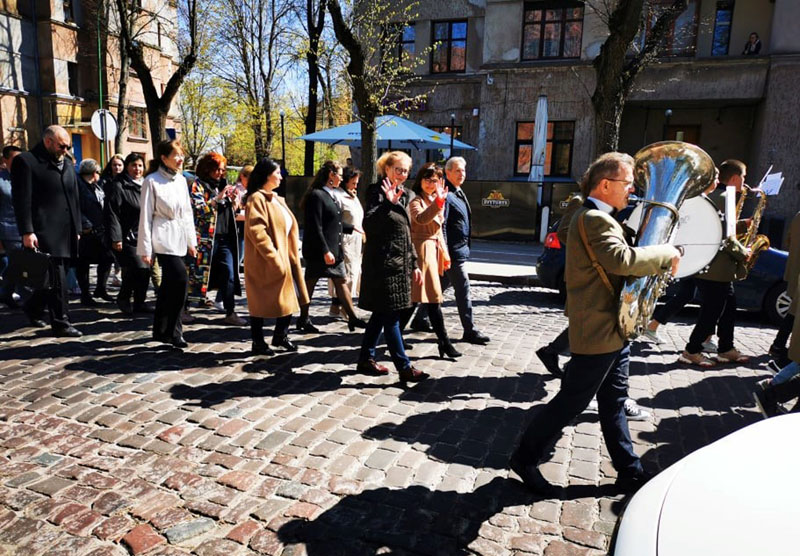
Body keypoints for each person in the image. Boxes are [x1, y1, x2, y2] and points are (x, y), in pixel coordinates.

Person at [510, 152, 681, 496]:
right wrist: (667, 253)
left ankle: (629, 470)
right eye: (628, 182)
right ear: (605, 184)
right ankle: (525, 458)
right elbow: (622, 260)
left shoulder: (604, 217)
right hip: (598, 328)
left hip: (613, 329)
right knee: (571, 402)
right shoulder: (593, 219)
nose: (633, 189)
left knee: (614, 401)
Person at [357, 151, 428, 382]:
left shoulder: (407, 194)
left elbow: (406, 234)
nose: (402, 174)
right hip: (383, 266)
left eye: (406, 170)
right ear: (386, 169)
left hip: (401, 266)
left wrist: (415, 264)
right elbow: (369, 224)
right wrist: (387, 203)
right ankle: (404, 367)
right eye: (398, 169)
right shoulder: (375, 192)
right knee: (391, 317)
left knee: (381, 314)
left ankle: (365, 359)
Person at [678, 160, 751, 367]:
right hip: (717, 268)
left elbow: (716, 226)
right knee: (712, 312)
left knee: (729, 307)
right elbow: (725, 236)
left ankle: (726, 348)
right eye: (743, 177)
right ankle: (691, 350)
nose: (744, 182)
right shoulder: (727, 198)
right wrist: (742, 252)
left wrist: (742, 227)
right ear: (736, 178)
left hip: (711, 266)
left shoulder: (712, 197)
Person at [11, 125, 82, 336]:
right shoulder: (27, 161)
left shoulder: (67, 164)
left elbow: (74, 197)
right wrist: (27, 231)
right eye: (62, 145)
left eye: (68, 146)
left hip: (66, 231)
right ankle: (61, 322)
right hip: (43, 230)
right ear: (48, 141)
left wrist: (77, 226)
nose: (65, 149)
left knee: (49, 277)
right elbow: (22, 200)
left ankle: (32, 308)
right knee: (57, 277)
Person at [243, 158, 309, 355]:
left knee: (290, 297)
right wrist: (273, 257)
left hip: (286, 257)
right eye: (278, 172)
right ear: (266, 175)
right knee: (260, 301)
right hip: (266, 260)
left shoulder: (276, 198)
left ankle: (281, 336)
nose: (281, 176)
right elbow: (257, 232)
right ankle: (258, 342)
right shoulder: (257, 199)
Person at [137, 140, 196, 348]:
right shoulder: (151, 181)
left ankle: (160, 329)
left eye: (182, 155)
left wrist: (191, 241)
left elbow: (187, 213)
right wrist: (145, 249)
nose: (180, 159)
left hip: (179, 235)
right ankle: (174, 330)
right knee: (180, 281)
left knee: (169, 285)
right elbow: (145, 217)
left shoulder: (181, 180)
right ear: (164, 158)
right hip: (162, 238)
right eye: (176, 155)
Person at [297, 160, 366, 332]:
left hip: (334, 249)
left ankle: (352, 317)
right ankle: (303, 318)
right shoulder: (317, 195)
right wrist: (325, 250)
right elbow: (316, 226)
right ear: (331, 175)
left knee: (341, 281)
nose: (342, 179)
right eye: (340, 175)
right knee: (310, 284)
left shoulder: (330, 194)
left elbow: (332, 222)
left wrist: (351, 228)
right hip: (320, 251)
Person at [409, 162, 461, 358]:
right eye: (428, 179)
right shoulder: (416, 200)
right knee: (422, 300)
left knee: (428, 300)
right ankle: (444, 343)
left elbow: (439, 232)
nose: (431, 184)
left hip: (432, 251)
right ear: (420, 180)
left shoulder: (434, 199)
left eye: (436, 180)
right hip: (421, 253)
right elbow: (421, 219)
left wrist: (445, 255)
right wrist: (438, 203)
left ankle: (444, 342)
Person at [186, 153, 245, 325]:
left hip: (225, 238)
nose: (220, 173)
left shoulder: (224, 185)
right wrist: (217, 199)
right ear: (207, 169)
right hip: (205, 238)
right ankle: (184, 308)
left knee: (229, 273)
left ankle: (230, 312)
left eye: (222, 169)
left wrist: (234, 202)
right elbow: (198, 209)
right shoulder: (197, 185)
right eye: (217, 169)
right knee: (195, 274)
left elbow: (230, 212)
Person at [441, 156, 490, 344]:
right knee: (463, 290)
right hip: (453, 253)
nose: (462, 174)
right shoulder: (446, 193)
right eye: (457, 171)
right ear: (448, 172)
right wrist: (445, 250)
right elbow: (442, 225)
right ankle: (469, 329)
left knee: (438, 286)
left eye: (463, 170)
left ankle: (420, 318)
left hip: (459, 250)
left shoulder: (458, 191)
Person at [105, 153, 151, 315]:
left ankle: (140, 302)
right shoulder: (119, 186)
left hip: (145, 235)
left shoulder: (147, 184)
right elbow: (112, 213)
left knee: (145, 271)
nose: (137, 169)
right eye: (133, 165)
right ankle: (124, 297)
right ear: (127, 167)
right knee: (137, 268)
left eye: (140, 165)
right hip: (127, 236)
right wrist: (116, 237)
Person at [75, 158, 114, 305]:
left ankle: (100, 288)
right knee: (83, 263)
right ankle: (85, 295)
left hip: (100, 230)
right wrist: (85, 224)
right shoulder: (80, 186)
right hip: (87, 231)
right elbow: (77, 207)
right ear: (93, 172)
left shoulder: (96, 186)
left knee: (107, 258)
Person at [329, 166, 364, 317]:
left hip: (356, 242)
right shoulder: (337, 196)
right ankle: (345, 306)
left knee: (353, 272)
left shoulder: (352, 195)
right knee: (346, 274)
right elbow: (334, 220)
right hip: (344, 240)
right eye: (353, 183)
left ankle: (336, 306)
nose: (355, 186)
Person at [767, 209, 800, 369]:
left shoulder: (798, 215)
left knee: (793, 313)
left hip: (793, 271)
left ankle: (779, 345)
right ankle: (783, 356)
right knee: (794, 314)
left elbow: (787, 240)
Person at [0, 145, 23, 307]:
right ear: (5, 160)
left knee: (20, 267)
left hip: (28, 230)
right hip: (8, 231)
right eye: (15, 159)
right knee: (16, 267)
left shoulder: (26, 177)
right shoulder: (1, 180)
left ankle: (6, 294)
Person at [100, 154, 125, 287]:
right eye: (114, 165)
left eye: (120, 165)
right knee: (110, 253)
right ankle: (106, 283)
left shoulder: (127, 181)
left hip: (123, 221)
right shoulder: (105, 181)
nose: (117, 167)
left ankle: (119, 275)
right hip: (108, 221)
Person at [234, 165, 253, 270]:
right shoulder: (237, 190)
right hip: (241, 225)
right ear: (242, 176)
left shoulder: (251, 190)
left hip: (249, 224)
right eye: (249, 178)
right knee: (240, 249)